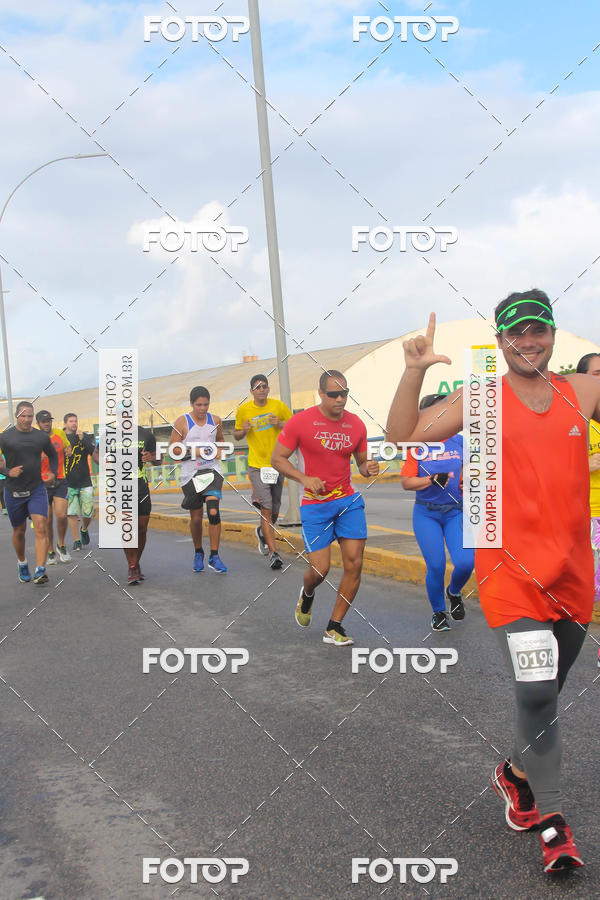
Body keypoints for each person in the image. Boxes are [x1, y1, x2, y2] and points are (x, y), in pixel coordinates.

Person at [386, 292, 600, 873]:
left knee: (547, 692)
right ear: (501, 340)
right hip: (511, 574)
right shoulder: (481, 398)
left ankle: (515, 771)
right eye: (516, 333)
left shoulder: (582, 391)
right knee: (537, 693)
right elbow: (404, 437)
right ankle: (555, 828)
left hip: (574, 573)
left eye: (538, 330)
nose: (528, 341)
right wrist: (413, 372)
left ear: (553, 334)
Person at [272, 370, 379, 646]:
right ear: (321, 393)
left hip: (347, 501)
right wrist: (304, 478)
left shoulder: (356, 425)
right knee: (320, 570)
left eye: (344, 394)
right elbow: (277, 459)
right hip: (315, 505)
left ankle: (334, 626)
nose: (340, 399)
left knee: (354, 563)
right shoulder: (301, 422)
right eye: (334, 394)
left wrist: (368, 467)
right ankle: (307, 593)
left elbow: (361, 463)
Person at [400, 394, 474, 631]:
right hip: (427, 514)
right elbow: (406, 482)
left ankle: (454, 592)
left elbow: (472, 471)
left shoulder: (460, 441)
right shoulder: (416, 446)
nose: (442, 415)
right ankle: (439, 612)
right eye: (436, 410)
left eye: (445, 410)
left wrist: (469, 481)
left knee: (466, 562)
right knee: (436, 565)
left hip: (456, 512)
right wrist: (430, 480)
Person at [234, 373, 292, 570]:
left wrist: (280, 424)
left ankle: (261, 532)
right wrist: (244, 430)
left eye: (264, 386)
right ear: (251, 391)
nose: (261, 389)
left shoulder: (278, 406)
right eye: (257, 387)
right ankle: (274, 554)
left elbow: (294, 426)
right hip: (257, 465)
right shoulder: (244, 410)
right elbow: (236, 434)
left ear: (268, 389)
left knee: (275, 510)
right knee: (266, 508)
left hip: (276, 464)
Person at [169, 386, 227, 574]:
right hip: (191, 474)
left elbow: (220, 440)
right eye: (199, 405)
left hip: (211, 471)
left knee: (213, 511)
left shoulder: (216, 421)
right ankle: (198, 552)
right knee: (196, 518)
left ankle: (214, 556)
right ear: (192, 404)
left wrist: (220, 450)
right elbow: (173, 449)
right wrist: (193, 451)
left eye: (206, 404)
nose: (202, 408)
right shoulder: (182, 422)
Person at [0, 401, 58, 584]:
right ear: (16, 416)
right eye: (23, 416)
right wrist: (7, 471)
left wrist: (53, 472)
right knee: (19, 530)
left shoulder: (41, 437)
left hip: (36, 488)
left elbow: (53, 455)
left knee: (41, 525)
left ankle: (40, 570)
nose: (26, 419)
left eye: (30, 416)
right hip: (13, 490)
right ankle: (22, 562)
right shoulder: (5, 437)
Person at [576, 352, 600, 664]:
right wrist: (587, 463)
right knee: (589, 589)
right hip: (588, 516)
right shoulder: (576, 421)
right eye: (597, 374)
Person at [36, 409, 72, 564]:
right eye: (43, 421)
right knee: (48, 519)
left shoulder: (59, 433)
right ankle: (50, 550)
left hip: (60, 480)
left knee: (62, 515)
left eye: (48, 421)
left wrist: (68, 450)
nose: (47, 424)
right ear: (38, 423)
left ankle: (61, 544)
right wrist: (39, 458)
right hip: (42, 483)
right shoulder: (34, 438)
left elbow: (68, 447)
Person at [125, 424, 159, 585]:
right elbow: (97, 454)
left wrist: (151, 458)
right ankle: (132, 566)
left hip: (141, 487)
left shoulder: (145, 435)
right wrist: (105, 461)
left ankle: (136, 562)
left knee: (141, 529)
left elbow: (159, 459)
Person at [63, 413, 98, 550]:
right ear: (65, 423)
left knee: (88, 512)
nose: (74, 423)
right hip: (68, 482)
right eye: (71, 421)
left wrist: (83, 439)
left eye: (75, 421)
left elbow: (93, 452)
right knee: (71, 513)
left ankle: (84, 529)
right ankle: (76, 540)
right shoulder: (62, 438)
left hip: (85, 481)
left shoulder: (84, 436)